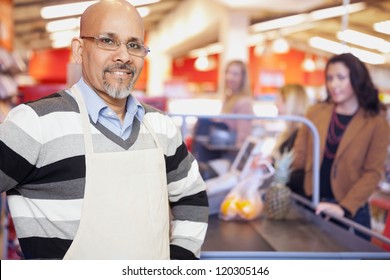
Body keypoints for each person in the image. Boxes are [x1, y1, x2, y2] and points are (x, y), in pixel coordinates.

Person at [0, 0, 208, 260]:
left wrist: (179, 265)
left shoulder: (161, 127)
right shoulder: (34, 124)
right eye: (107, 41)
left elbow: (193, 198)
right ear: (78, 49)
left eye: (134, 45)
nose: (123, 56)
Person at [292, 52, 389, 238]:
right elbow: (299, 157)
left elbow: (373, 172)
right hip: (313, 203)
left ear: (356, 79)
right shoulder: (315, 113)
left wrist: (344, 208)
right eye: (329, 78)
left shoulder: (376, 122)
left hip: (350, 212)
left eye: (341, 78)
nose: (333, 84)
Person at [192, 60, 254, 164]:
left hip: (228, 156)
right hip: (219, 152)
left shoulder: (244, 103)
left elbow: (242, 138)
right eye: (228, 73)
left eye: (235, 74)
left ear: (243, 78)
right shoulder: (229, 99)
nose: (229, 77)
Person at [272, 84, 310, 196]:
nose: (276, 104)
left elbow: (297, 172)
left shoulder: (301, 134)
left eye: (279, 99)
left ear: (290, 103)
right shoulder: (288, 133)